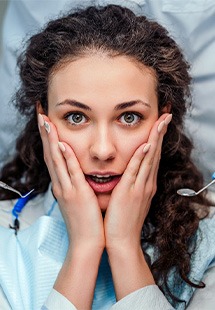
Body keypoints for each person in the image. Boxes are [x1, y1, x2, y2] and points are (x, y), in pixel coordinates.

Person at [0, 4, 215, 310]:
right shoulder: (4, 235)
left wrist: (125, 247)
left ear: (163, 120)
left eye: (129, 117)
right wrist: (84, 249)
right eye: (76, 117)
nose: (102, 151)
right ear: (43, 118)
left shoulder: (210, 242)